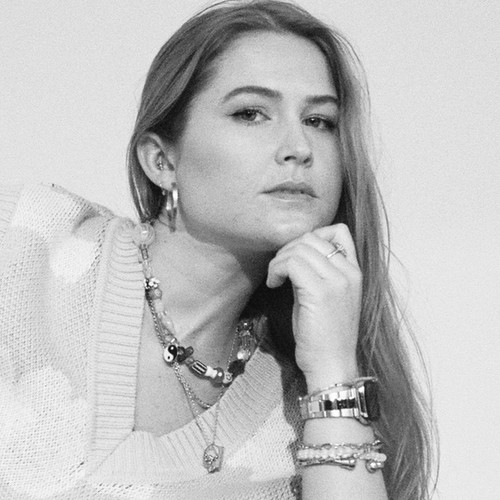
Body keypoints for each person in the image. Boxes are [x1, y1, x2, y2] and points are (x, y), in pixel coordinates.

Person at [0, 0, 436, 498]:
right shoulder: (21, 241)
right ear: (162, 161)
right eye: (251, 114)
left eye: (320, 120)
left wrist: (333, 371)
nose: (299, 147)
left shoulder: (306, 416)